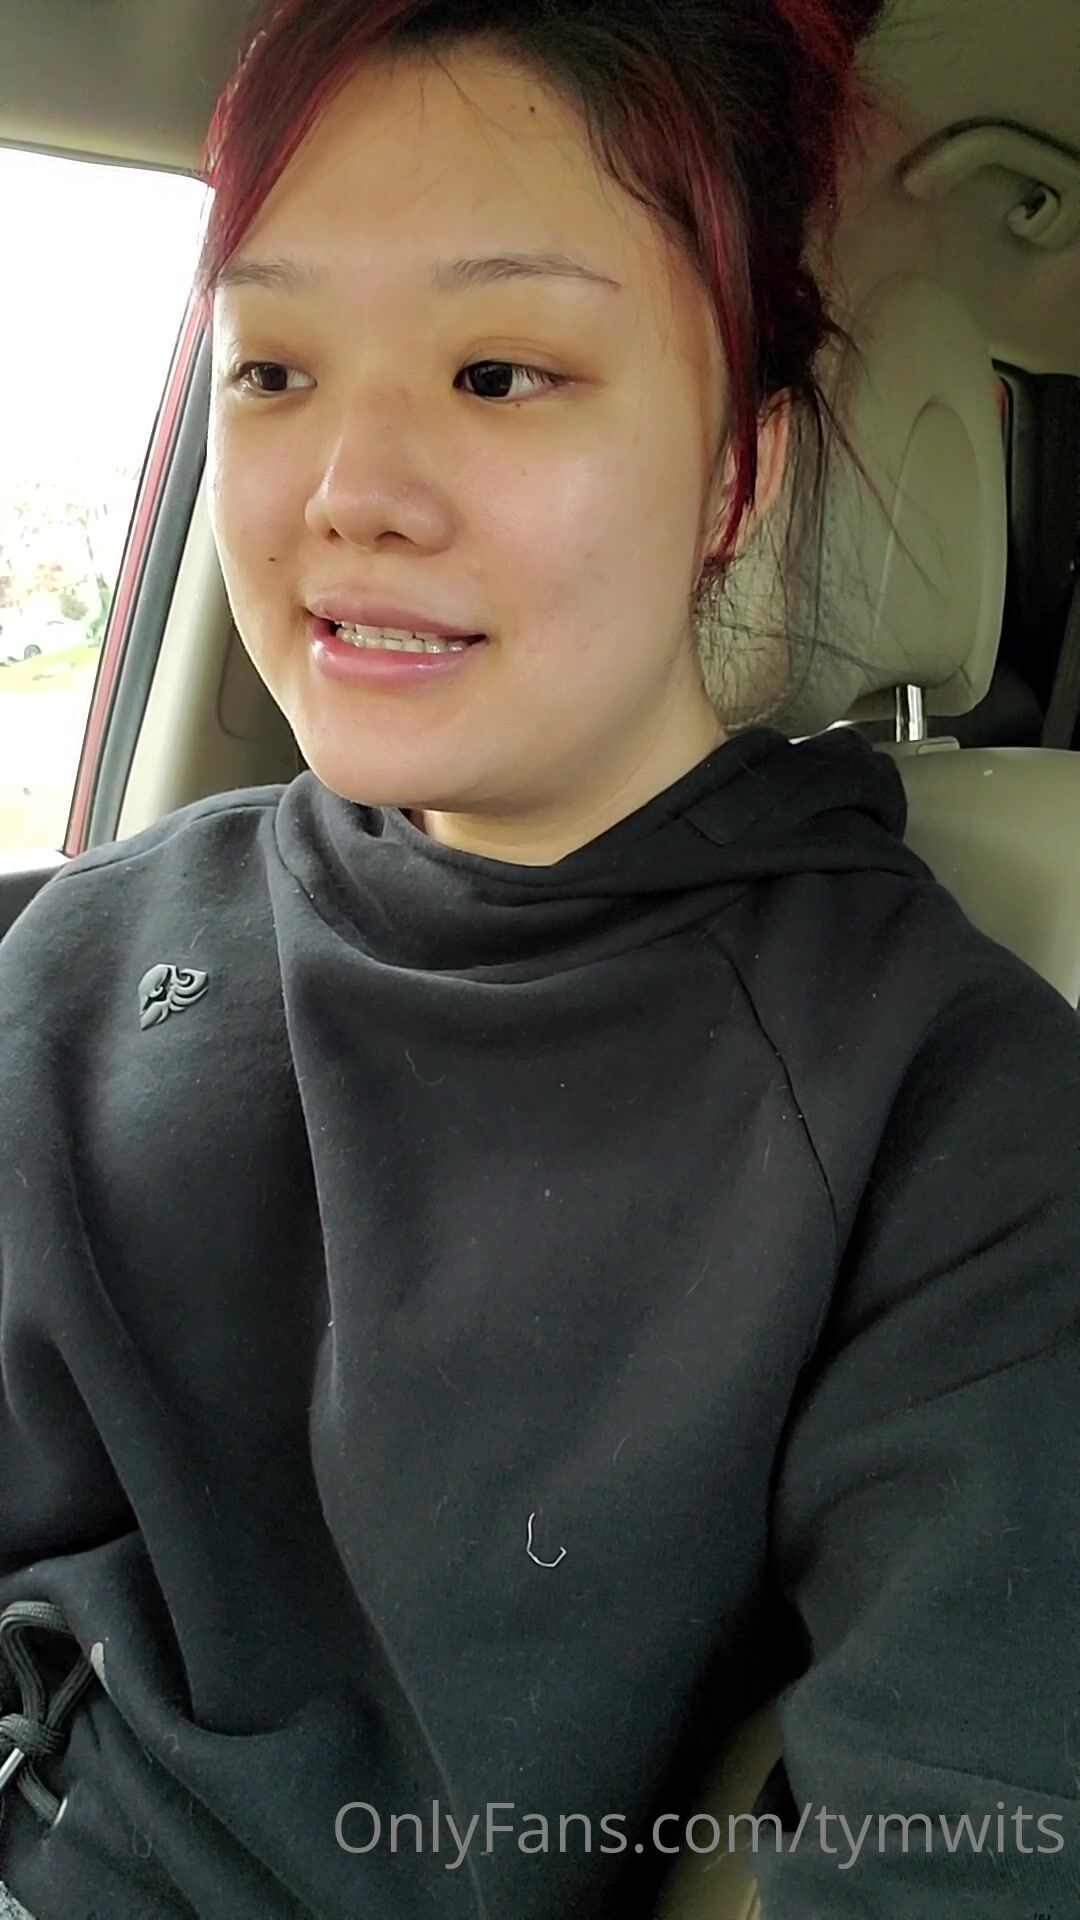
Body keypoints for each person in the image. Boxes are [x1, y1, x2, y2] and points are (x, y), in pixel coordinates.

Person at [1, 1, 1078, 1915]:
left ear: (737, 480)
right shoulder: (91, 949)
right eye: (273, 369)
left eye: (500, 372)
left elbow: (969, 1837)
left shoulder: (947, 1112)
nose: (349, 489)